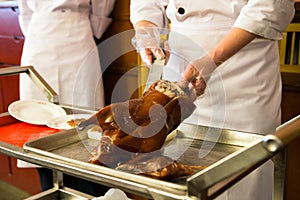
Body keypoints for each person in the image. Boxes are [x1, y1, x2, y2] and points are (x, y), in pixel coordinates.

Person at [130, 0, 295, 199]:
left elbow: (271, 4)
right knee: (179, 176)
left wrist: (213, 58)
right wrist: (146, 31)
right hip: (180, 65)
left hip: (245, 68)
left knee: (244, 177)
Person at [17, 0, 115, 196]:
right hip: (54, 35)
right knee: (39, 121)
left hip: (60, 34)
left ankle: (88, 191)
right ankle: (52, 191)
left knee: (85, 124)